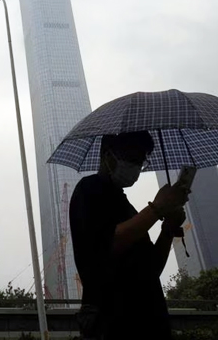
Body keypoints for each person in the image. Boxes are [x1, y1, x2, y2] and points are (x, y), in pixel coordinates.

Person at [70, 131, 190, 340]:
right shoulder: (88, 190)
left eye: (141, 161)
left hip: (150, 321)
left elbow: (151, 269)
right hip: (113, 323)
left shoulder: (126, 205)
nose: (136, 168)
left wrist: (168, 228)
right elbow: (108, 245)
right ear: (108, 156)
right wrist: (158, 208)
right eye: (132, 159)